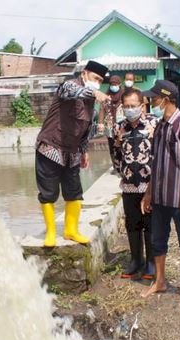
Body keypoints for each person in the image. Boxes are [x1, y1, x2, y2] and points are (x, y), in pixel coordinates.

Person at [139, 80, 180, 310]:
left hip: (179, 197)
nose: (151, 101)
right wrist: (148, 192)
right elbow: (156, 162)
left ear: (165, 99)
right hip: (160, 195)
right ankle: (160, 281)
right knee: (158, 240)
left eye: (154, 98)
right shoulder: (161, 126)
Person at [35, 61, 109, 247]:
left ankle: (71, 231)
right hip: (50, 148)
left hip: (73, 152)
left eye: (100, 81)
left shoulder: (92, 101)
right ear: (84, 74)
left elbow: (86, 128)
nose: (97, 83)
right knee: (48, 193)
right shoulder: (69, 86)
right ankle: (51, 233)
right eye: (95, 78)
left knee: (75, 193)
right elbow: (73, 92)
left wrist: (84, 151)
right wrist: (94, 92)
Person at [112, 88, 158, 280]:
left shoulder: (154, 125)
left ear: (142, 106)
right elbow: (115, 156)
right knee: (132, 224)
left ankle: (151, 263)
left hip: (149, 185)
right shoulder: (119, 128)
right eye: (127, 106)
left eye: (134, 106)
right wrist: (122, 171)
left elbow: (160, 155)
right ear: (122, 107)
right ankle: (135, 260)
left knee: (150, 224)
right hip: (129, 184)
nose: (130, 109)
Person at [97, 75, 124, 170]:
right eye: (112, 84)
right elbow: (102, 110)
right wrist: (100, 124)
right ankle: (115, 166)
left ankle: (123, 165)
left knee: (122, 145)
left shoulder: (124, 95)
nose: (113, 86)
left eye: (115, 84)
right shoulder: (106, 96)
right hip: (110, 126)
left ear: (119, 84)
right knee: (112, 147)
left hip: (122, 126)